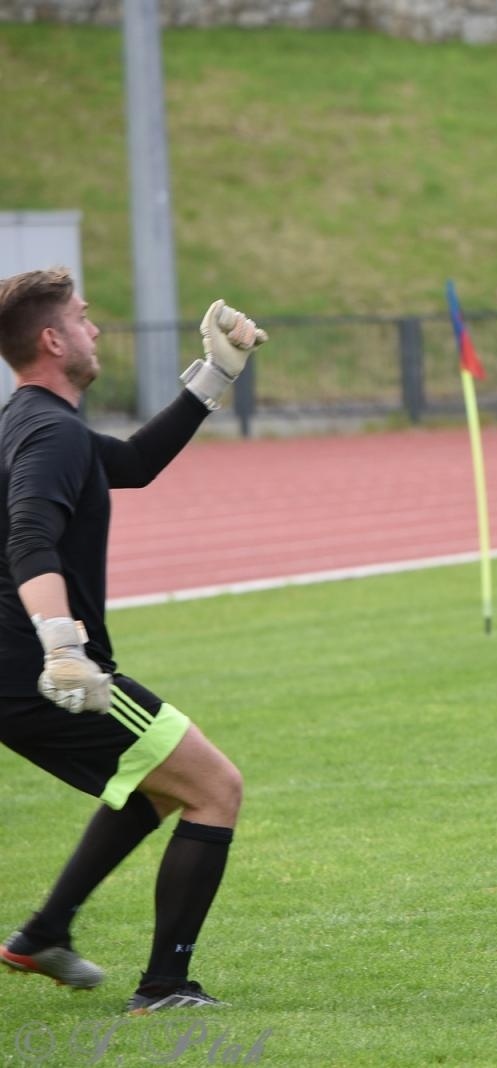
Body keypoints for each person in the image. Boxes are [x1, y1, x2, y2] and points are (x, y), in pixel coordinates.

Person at [0, 267, 268, 1011]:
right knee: (215, 787)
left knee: (156, 784)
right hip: (37, 672)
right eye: (84, 320)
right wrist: (61, 645)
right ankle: (165, 986)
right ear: (53, 339)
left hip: (19, 674)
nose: (96, 330)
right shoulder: (51, 434)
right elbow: (30, 535)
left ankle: (44, 933)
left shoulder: (36, 422)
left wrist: (215, 374)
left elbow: (137, 465)